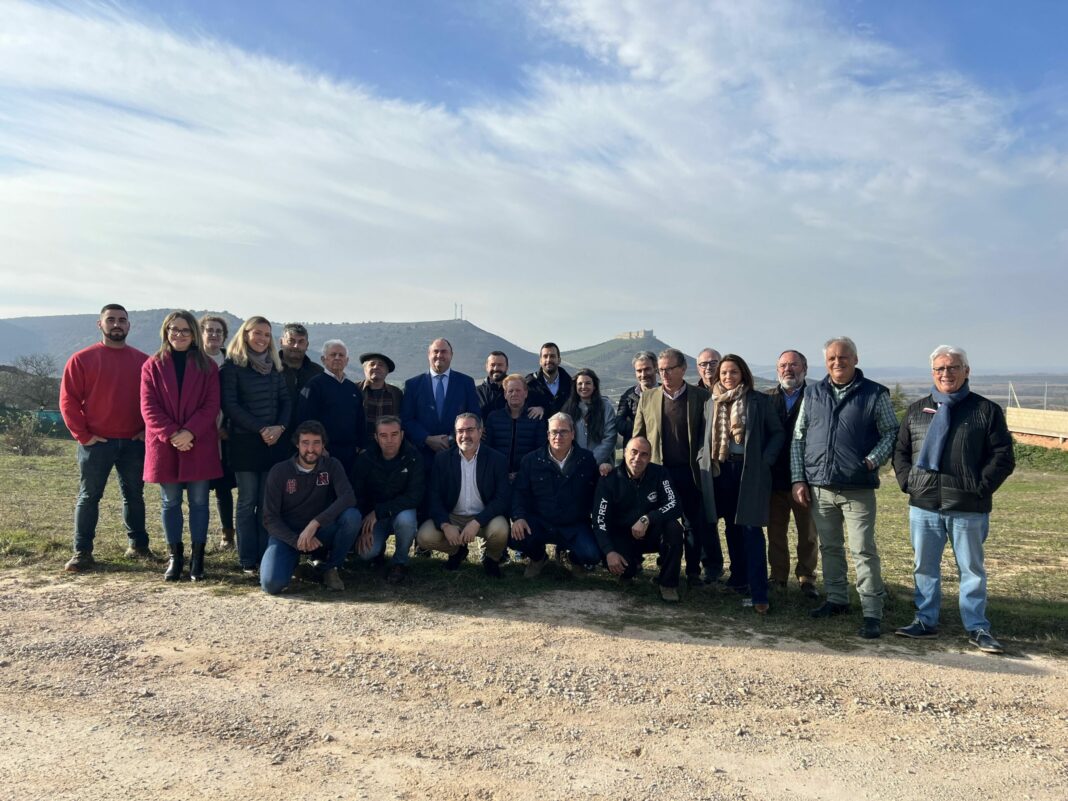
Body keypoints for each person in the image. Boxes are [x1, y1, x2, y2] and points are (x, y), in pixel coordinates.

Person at [892, 345, 1015, 654]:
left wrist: (980, 487)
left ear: (966, 371)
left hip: (968, 506)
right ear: (933, 373)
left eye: (953, 367)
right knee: (924, 567)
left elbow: (1003, 456)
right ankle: (925, 621)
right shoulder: (917, 409)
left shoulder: (985, 411)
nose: (946, 373)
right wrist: (909, 483)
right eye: (940, 369)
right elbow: (900, 452)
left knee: (971, 569)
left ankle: (977, 627)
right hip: (924, 506)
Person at [791, 336, 897, 639]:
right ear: (826, 363)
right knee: (830, 547)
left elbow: (890, 432)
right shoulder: (812, 393)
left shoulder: (875, 394)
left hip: (857, 488)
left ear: (855, 359)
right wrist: (799, 478)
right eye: (832, 359)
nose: (838, 363)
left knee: (863, 549)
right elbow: (799, 438)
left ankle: (872, 612)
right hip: (820, 486)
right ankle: (836, 599)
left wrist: (871, 461)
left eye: (843, 357)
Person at [60, 304, 151, 572]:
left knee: (134, 496)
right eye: (110, 320)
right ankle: (82, 552)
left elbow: (154, 400)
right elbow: (68, 401)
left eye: (122, 320)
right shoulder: (81, 359)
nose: (116, 324)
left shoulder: (144, 361)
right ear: (100, 324)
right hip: (96, 443)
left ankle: (139, 546)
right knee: (89, 497)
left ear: (129, 326)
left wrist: (147, 430)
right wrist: (83, 435)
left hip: (134, 442)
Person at [697, 354, 784, 613]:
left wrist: (764, 460)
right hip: (719, 470)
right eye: (723, 373)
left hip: (749, 472)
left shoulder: (759, 401)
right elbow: (705, 436)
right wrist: (703, 457)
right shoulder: (710, 402)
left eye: (733, 372)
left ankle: (759, 593)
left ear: (743, 374)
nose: (727, 377)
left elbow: (778, 433)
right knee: (730, 528)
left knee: (751, 529)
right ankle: (738, 580)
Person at [140, 311, 223, 582]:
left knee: (199, 503)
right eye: (173, 329)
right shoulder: (151, 365)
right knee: (170, 502)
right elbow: (148, 407)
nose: (179, 334)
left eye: (185, 330)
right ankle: (175, 557)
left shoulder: (208, 366)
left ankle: (198, 558)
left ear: (194, 334)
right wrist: (173, 434)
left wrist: (189, 432)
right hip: (165, 444)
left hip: (198, 443)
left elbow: (211, 405)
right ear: (165, 332)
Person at [632, 348, 715, 584]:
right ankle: (662, 570)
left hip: (689, 471)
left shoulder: (700, 397)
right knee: (659, 521)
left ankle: (693, 572)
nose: (664, 374)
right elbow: (638, 435)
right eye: (661, 370)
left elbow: (705, 436)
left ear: (683, 369)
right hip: (658, 472)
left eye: (669, 369)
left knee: (692, 523)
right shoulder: (648, 398)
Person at [220, 316, 291, 574]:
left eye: (266, 334)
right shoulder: (232, 367)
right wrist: (260, 429)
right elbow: (230, 406)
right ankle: (247, 559)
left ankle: (265, 557)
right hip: (245, 444)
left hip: (273, 443)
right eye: (257, 333)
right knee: (247, 502)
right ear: (245, 334)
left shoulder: (275, 367)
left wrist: (279, 428)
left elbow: (286, 401)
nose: (261, 338)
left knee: (267, 503)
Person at [260, 421, 361, 594]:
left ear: (323, 445)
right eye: (305, 443)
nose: (311, 449)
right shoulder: (279, 471)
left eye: (316, 443)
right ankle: (295, 565)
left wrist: (315, 523)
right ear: (297, 444)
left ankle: (330, 568)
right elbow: (270, 519)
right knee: (271, 585)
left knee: (352, 517)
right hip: (288, 535)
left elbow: (348, 497)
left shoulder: (332, 465)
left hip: (320, 531)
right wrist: (296, 541)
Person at [416, 413, 511, 576]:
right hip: (453, 517)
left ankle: (491, 559)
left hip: (484, 517)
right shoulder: (442, 459)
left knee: (501, 529)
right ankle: (456, 552)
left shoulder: (497, 459)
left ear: (480, 432)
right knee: (424, 536)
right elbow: (434, 497)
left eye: (470, 430)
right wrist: (445, 525)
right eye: (460, 431)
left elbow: (502, 498)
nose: (465, 435)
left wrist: (477, 522)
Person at [509, 412, 601, 578]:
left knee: (592, 555)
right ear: (548, 435)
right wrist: (519, 517)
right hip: (541, 521)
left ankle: (573, 558)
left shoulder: (586, 460)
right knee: (517, 539)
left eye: (563, 432)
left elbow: (596, 492)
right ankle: (538, 558)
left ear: (573, 434)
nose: (558, 436)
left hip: (574, 524)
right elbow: (519, 492)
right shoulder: (531, 460)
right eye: (554, 432)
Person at [593, 437, 684, 602]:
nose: (637, 458)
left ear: (649, 458)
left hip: (651, 533)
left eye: (644, 454)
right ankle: (631, 566)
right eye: (633, 452)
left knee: (674, 528)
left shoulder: (660, 473)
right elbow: (600, 520)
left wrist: (647, 518)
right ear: (625, 453)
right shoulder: (609, 479)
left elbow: (675, 504)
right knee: (626, 571)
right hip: (622, 535)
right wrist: (609, 551)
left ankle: (668, 584)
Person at [766, 350, 820, 599]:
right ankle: (777, 577)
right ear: (777, 370)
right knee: (776, 532)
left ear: (805, 369)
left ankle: (807, 577)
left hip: (806, 479)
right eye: (783, 365)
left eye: (794, 365)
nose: (788, 369)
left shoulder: (817, 397)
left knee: (807, 533)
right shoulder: (765, 399)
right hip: (774, 478)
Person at [349, 416, 424, 584]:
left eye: (394, 434)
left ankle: (400, 562)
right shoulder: (365, 458)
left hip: (399, 513)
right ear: (376, 437)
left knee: (406, 520)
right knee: (366, 554)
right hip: (372, 518)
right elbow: (357, 496)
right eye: (383, 435)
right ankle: (379, 551)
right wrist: (363, 527)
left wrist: (380, 511)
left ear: (402, 435)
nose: (389, 440)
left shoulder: (413, 457)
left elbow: (415, 496)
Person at [401, 338, 481, 470]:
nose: (439, 355)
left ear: (451, 355)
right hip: (422, 457)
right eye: (435, 351)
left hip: (457, 454)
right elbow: (406, 419)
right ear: (429, 355)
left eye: (444, 351)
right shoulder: (413, 385)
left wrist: (451, 438)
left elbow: (474, 416)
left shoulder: (466, 382)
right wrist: (427, 438)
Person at [298, 340, 366, 473]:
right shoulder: (314, 386)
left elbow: (360, 419)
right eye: (333, 354)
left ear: (347, 361)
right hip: (324, 453)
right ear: (323, 359)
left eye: (341, 355)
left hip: (351, 454)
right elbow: (305, 420)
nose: (337, 358)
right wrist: (318, 448)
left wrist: (360, 446)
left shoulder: (353, 388)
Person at [200, 314, 236, 549]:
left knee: (224, 488)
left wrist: (229, 428)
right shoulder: (193, 360)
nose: (214, 334)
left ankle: (227, 535)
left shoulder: (231, 363)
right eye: (209, 330)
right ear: (201, 333)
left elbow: (239, 399)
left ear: (224, 337)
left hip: (225, 434)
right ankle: (198, 537)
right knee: (199, 489)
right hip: (198, 434)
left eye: (218, 331)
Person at [483, 374, 548, 479]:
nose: (514, 394)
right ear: (505, 394)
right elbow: (487, 449)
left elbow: (540, 451)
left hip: (527, 478)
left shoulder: (536, 419)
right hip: (497, 477)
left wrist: (521, 473)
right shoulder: (493, 418)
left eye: (518, 390)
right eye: (510, 391)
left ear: (526, 393)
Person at [561, 368, 617, 474]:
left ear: (594, 386)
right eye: (580, 383)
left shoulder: (606, 407)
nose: (583, 387)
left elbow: (610, 438)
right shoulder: (568, 408)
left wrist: (590, 461)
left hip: (602, 467)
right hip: (574, 467)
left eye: (588, 383)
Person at [278, 322, 323, 437]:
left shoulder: (318, 373)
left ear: (307, 345)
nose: (296, 346)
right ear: (281, 342)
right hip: (273, 438)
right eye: (291, 341)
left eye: (301, 342)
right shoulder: (268, 369)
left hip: (308, 440)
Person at [616, 350, 658, 443]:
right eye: (639, 371)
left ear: (655, 368)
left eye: (647, 369)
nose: (643, 375)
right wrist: (646, 426)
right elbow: (619, 424)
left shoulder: (666, 392)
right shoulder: (628, 396)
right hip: (636, 452)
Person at [358, 352, 403, 439]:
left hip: (387, 445)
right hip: (360, 445)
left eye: (381, 365)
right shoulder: (354, 390)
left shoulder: (396, 393)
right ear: (364, 369)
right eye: (372, 364)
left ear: (387, 371)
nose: (376, 367)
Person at [525, 342, 572, 415]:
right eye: (545, 356)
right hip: (537, 426)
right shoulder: (530, 383)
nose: (548, 360)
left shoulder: (570, 384)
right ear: (540, 361)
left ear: (559, 360)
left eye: (552, 356)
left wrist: (544, 409)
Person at [476, 351, 510, 419]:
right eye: (492, 365)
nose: (496, 368)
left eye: (500, 365)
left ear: (506, 367)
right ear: (487, 367)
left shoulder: (516, 391)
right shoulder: (476, 392)